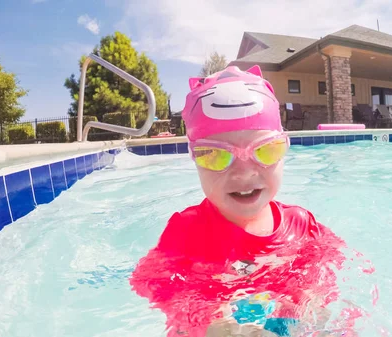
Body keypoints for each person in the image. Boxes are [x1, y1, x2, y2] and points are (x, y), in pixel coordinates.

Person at [129, 65, 354, 336]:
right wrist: (204, 316)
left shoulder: (302, 223)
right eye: (215, 155)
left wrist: (313, 295)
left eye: (265, 150)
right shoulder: (186, 230)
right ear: (194, 157)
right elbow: (149, 281)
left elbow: (333, 257)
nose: (245, 172)